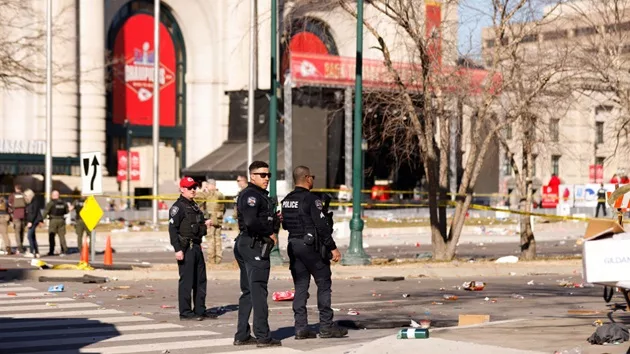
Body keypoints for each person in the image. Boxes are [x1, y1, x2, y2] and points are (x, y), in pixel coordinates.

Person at [280, 165, 347, 339]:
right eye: (313, 178)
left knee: (301, 286)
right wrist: (333, 248)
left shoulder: (286, 200)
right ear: (308, 178)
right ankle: (326, 326)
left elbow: (286, 224)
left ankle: (301, 328)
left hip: (293, 245)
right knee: (323, 284)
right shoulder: (311, 199)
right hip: (312, 247)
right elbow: (322, 226)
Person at [233, 161, 281, 347]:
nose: (267, 178)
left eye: (268, 175)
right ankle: (263, 336)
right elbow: (252, 221)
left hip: (247, 243)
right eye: (262, 175)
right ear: (252, 176)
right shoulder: (251, 195)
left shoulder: (259, 195)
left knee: (248, 291)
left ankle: (242, 334)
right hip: (253, 245)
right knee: (258, 290)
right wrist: (268, 233)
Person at [169, 176, 215, 321]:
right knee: (187, 281)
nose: (193, 190)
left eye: (194, 187)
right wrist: (177, 249)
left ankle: (200, 310)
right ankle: (186, 312)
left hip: (196, 246)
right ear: (182, 189)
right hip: (185, 247)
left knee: (200, 280)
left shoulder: (194, 206)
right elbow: (172, 229)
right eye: (190, 188)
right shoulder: (178, 207)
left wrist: (205, 223)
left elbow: (198, 223)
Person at [204, 179, 226, 264]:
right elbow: (224, 208)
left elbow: (209, 208)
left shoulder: (211, 195)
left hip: (211, 219)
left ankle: (211, 259)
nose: (207, 187)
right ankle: (218, 259)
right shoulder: (220, 194)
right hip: (219, 219)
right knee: (218, 239)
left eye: (207, 185)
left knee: (210, 239)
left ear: (211, 185)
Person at [42, 190, 69, 256]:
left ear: (53, 195)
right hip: (62, 220)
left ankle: (51, 251)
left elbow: (46, 211)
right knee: (62, 236)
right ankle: (64, 250)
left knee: (52, 235)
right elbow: (67, 211)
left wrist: (42, 219)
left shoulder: (51, 203)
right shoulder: (64, 203)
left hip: (53, 220)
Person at [8, 184, 26, 254]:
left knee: (17, 232)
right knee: (22, 231)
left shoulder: (12, 195)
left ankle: (19, 246)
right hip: (23, 215)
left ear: (15, 189)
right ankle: (21, 244)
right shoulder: (24, 195)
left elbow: (9, 204)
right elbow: (27, 203)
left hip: (16, 215)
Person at [24, 189, 41, 258]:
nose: (25, 197)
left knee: (29, 236)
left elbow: (33, 213)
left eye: (26, 196)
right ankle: (37, 252)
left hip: (33, 221)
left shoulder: (34, 202)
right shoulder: (32, 202)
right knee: (33, 237)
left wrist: (30, 221)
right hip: (33, 220)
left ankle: (32, 252)